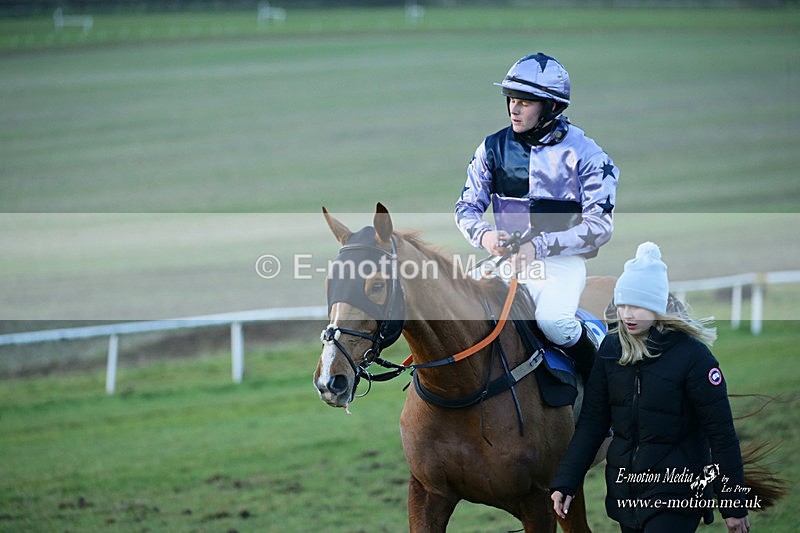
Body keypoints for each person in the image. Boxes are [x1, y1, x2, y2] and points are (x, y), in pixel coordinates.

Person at [550, 242, 751, 533]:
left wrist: (732, 504)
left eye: (637, 305)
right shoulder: (609, 349)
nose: (627, 314)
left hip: (678, 494)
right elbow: (593, 424)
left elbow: (721, 435)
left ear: (657, 306)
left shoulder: (694, 357)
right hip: (627, 495)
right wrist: (566, 482)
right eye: (622, 304)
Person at [454, 52, 619, 381]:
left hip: (561, 262)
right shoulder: (490, 148)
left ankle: (608, 387)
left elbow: (600, 227)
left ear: (552, 106)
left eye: (526, 102)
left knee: (554, 324)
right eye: (512, 99)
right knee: (456, 314)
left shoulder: (588, 155)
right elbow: (465, 208)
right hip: (504, 261)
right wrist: (485, 236)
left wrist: (540, 247)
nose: (514, 108)